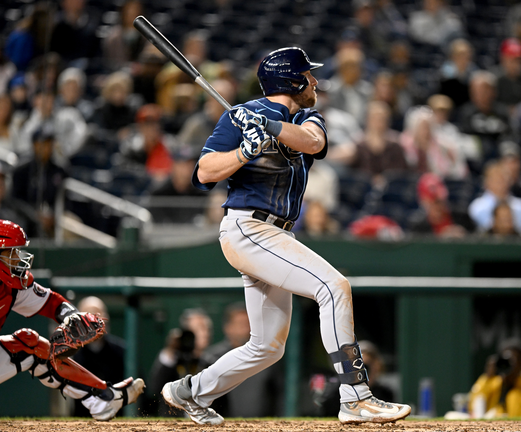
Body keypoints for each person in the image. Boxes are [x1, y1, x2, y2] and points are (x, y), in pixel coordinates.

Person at [161, 47, 412, 426]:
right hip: (248, 227)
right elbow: (206, 171)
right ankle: (356, 396)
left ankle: (189, 391)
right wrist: (245, 150)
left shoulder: (308, 116)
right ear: (291, 81)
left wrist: (272, 128)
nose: (313, 82)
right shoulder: (239, 119)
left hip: (277, 235)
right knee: (334, 287)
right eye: (308, 76)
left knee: (267, 347)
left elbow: (313, 143)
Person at [0, 218, 144, 421]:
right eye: (10, 252)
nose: (18, 258)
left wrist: (72, 316)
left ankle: (101, 397)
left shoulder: (11, 286)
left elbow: (51, 303)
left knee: (30, 344)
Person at [198, 303, 281, 418]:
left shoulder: (266, 357)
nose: (246, 328)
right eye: (241, 324)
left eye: (249, 324)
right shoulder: (212, 358)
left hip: (261, 424)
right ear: (228, 328)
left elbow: (278, 394)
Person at [71, 296, 128, 417]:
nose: (95, 321)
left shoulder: (122, 352)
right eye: (89, 315)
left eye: (99, 315)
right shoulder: (71, 354)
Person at [11, 125, 68, 238]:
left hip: (54, 217)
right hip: (27, 216)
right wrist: (35, 215)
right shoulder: (22, 170)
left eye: (49, 143)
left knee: (71, 225)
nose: (46, 148)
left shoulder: (59, 170)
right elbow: (15, 200)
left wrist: (54, 216)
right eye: (42, 143)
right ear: (34, 145)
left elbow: (65, 199)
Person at [468, 346, 521, 418]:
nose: (509, 365)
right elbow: (475, 402)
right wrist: (487, 377)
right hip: (498, 426)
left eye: (513, 361)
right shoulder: (496, 382)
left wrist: (518, 383)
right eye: (506, 361)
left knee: (514, 395)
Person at [468, 161, 521, 241]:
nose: (501, 183)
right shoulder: (477, 207)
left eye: (504, 179)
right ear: (486, 182)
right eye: (497, 179)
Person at [399, 106, 468, 180]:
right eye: (422, 127)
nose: (426, 131)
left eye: (428, 127)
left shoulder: (439, 145)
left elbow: (444, 170)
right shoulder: (405, 143)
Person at [456, 71, 510, 162]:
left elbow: (510, 135)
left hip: (500, 159)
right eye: (476, 90)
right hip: (475, 160)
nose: (480, 94)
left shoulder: (502, 112)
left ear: (494, 91)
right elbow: (462, 138)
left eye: (484, 90)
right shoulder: (465, 113)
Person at [408, 172, 469, 237]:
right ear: (423, 202)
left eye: (440, 201)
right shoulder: (418, 227)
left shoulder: (462, 217)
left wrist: (464, 236)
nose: (438, 206)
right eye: (433, 202)